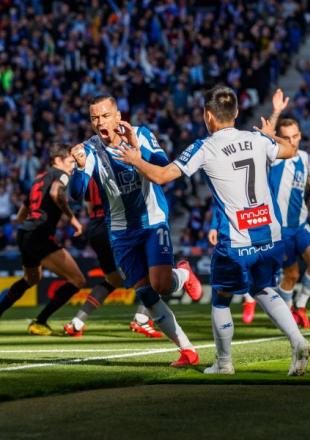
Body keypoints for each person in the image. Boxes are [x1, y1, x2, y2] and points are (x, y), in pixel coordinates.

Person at [113, 86, 310, 376]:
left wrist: (134, 160)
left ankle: (224, 362)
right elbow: (291, 149)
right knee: (263, 288)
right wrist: (273, 126)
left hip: (236, 236)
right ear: (237, 113)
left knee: (220, 296)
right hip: (269, 231)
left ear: (208, 116)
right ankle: (297, 340)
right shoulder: (256, 139)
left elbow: (162, 175)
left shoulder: (204, 147)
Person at [69, 95, 202, 367]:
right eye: (94, 117)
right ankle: (187, 350)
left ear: (118, 116)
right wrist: (80, 169)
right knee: (145, 293)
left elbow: (163, 166)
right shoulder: (90, 149)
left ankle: (183, 273)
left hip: (152, 221)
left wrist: (135, 151)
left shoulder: (140, 134)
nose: (99, 122)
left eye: (105, 115)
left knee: (161, 284)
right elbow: (76, 194)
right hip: (120, 231)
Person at [0, 144, 89, 336]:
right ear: (58, 160)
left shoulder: (38, 180)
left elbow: (21, 214)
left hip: (25, 233)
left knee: (32, 278)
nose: (73, 166)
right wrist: (73, 220)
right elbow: (56, 193)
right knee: (78, 280)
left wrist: (31, 225)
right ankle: (40, 322)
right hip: (39, 234)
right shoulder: (61, 175)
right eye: (71, 162)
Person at [63, 178, 162, 338]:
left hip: (95, 228)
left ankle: (77, 322)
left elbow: (88, 205)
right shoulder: (114, 162)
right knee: (154, 272)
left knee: (113, 280)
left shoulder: (90, 169)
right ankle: (142, 319)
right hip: (115, 224)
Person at [268, 117, 310, 328]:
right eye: (286, 137)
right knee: (292, 275)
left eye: (295, 136)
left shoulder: (304, 157)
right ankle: (287, 312)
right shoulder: (271, 157)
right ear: (279, 138)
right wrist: (275, 113)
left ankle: (301, 306)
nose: (292, 141)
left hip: (300, 223)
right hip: (280, 229)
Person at [208, 209, 257, 324]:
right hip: (228, 230)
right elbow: (218, 202)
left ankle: (250, 299)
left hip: (249, 223)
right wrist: (214, 226)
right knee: (226, 270)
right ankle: (248, 299)